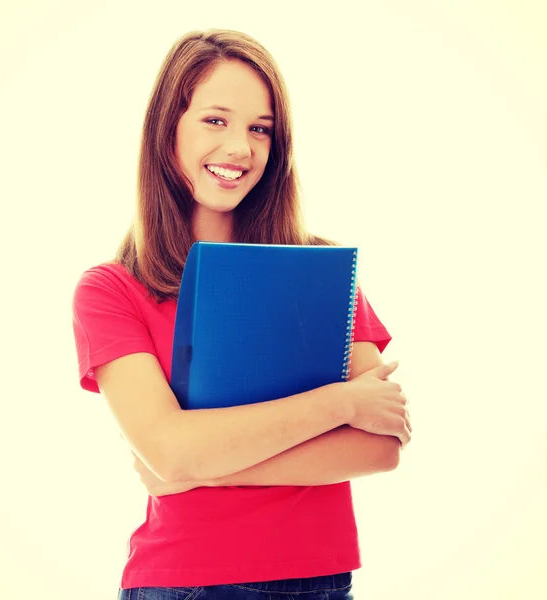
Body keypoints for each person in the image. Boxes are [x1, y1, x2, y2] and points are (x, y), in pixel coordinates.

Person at [71, 28, 411, 600]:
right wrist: (342, 403)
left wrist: (201, 465)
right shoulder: (111, 289)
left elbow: (378, 447)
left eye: (260, 129)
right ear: (166, 131)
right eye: (215, 120)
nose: (239, 148)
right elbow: (170, 450)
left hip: (322, 582)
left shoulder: (324, 271)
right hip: (187, 584)